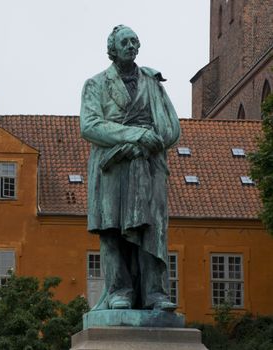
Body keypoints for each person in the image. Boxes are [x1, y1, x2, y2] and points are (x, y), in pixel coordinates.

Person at [80, 25, 181, 311]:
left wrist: (152, 141)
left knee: (152, 229)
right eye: (125, 42)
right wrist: (135, 135)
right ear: (112, 48)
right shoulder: (96, 84)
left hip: (148, 164)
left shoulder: (153, 83)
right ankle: (119, 291)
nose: (131, 46)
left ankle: (154, 293)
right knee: (112, 229)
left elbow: (172, 127)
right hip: (112, 166)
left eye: (135, 42)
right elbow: (89, 126)